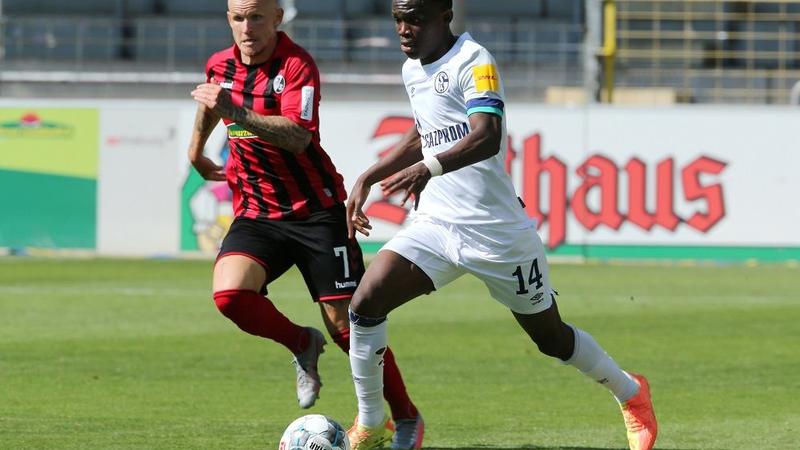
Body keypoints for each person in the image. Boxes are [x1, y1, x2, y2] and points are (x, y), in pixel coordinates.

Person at [344, 1, 658, 450]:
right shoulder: (412, 69)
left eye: (413, 17)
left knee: (551, 339)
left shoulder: (474, 60)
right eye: (397, 18)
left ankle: (632, 393)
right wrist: (368, 177)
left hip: (497, 233)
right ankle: (372, 424)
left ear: (443, 14)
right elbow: (423, 130)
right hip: (436, 222)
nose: (403, 29)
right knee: (366, 301)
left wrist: (426, 169)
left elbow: (486, 134)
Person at [187, 1, 424, 447]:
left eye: (256, 17)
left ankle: (406, 417)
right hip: (257, 211)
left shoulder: (297, 66)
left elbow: (298, 136)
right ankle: (300, 343)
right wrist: (196, 149)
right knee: (230, 295)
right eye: (238, 18)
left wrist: (233, 110)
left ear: (277, 18)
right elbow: (211, 98)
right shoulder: (220, 64)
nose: (247, 27)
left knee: (348, 326)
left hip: (317, 213)